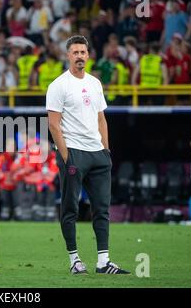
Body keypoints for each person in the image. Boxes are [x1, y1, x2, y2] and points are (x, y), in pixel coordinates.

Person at [46, 35, 130, 275]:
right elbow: (53, 124)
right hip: (74, 153)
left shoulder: (95, 83)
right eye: (75, 52)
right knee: (70, 208)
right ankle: (74, 260)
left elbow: (101, 119)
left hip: (98, 155)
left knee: (102, 208)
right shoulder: (58, 85)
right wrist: (66, 156)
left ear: (88, 55)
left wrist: (106, 150)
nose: (80, 56)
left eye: (83, 52)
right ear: (68, 55)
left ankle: (103, 261)